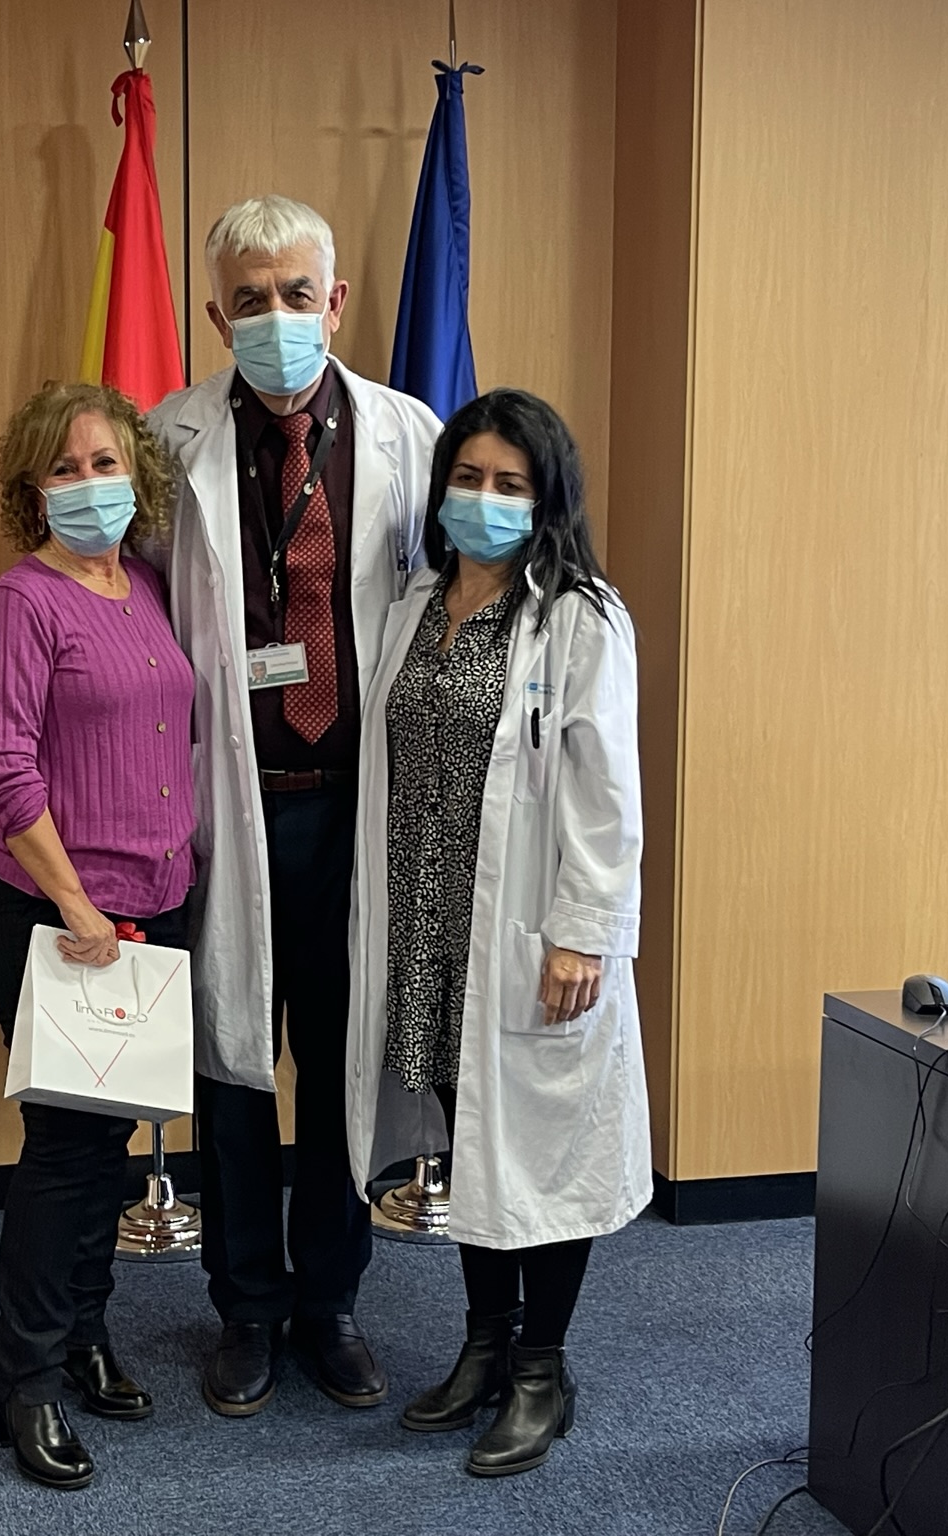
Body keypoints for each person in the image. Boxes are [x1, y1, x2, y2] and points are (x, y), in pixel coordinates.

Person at [146, 195, 441, 1417]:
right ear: (217, 317)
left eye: (295, 294)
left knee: (336, 1064)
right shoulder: (162, 443)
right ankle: (245, 1309)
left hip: (349, 808)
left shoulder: (409, 435)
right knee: (231, 1068)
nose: (275, 316)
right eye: (248, 299)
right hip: (227, 806)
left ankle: (328, 1302)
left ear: (336, 301)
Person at [345, 388, 648, 1478]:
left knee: (544, 1149)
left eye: (509, 484)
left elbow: (606, 796)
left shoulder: (578, 616)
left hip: (530, 933)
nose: (483, 498)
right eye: (467, 478)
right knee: (470, 1135)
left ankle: (540, 1370)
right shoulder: (415, 603)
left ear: (546, 498)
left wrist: (583, 933)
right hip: (430, 925)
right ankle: (482, 1345)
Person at [0, 381, 195, 1491]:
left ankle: (86, 1336)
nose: (89, 484)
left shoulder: (145, 586)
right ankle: (24, 1382)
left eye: (105, 463)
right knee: (64, 1154)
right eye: (65, 467)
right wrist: (75, 904)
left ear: (137, 474)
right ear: (33, 488)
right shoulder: (24, 601)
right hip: (59, 917)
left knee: (110, 1146)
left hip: (152, 909)